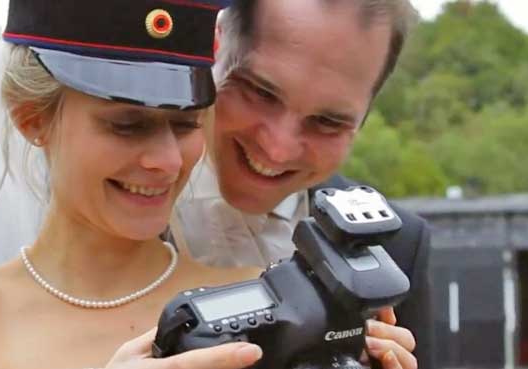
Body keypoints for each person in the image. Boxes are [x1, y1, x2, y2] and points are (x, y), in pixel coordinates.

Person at [0, 1, 271, 369]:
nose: (168, 161)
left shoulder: (256, 300)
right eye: (127, 125)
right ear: (32, 120)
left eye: (185, 124)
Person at [170, 1, 433, 368]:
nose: (278, 148)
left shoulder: (398, 246)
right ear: (214, 48)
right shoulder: (107, 197)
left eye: (326, 121)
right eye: (260, 92)